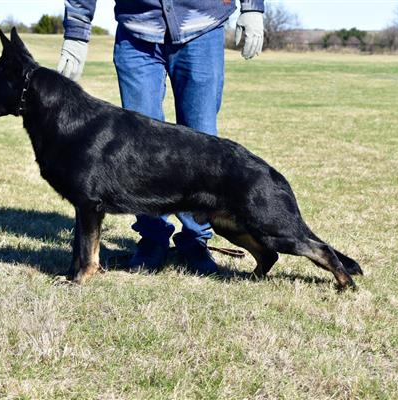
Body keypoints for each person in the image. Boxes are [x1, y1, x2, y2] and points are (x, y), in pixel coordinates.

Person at [58, 0, 265, 274]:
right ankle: (152, 238)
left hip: (201, 25)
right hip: (136, 31)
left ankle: (195, 240)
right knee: (136, 150)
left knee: (202, 142)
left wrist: (252, 8)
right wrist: (76, 31)